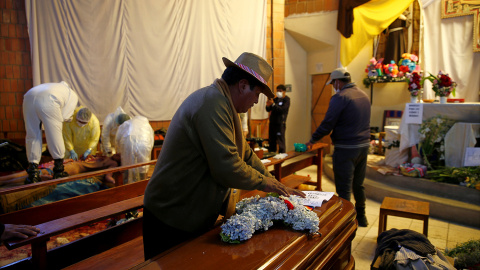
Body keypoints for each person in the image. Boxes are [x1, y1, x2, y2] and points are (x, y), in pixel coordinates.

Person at [143, 52, 305, 260]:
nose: (256, 101)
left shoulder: (225, 104)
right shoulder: (212, 103)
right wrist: (268, 184)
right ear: (242, 85)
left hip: (187, 212)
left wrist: (273, 181)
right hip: (171, 215)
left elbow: (245, 154)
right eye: (257, 94)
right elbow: (227, 167)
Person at [305, 68, 371, 227]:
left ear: (338, 81)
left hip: (346, 148)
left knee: (344, 188)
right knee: (358, 184)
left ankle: (346, 223)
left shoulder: (340, 98)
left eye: (333, 84)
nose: (334, 87)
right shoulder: (364, 95)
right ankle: (361, 217)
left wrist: (312, 140)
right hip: (363, 147)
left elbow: (328, 124)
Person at [23, 81, 79, 184]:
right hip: (49, 100)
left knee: (32, 135)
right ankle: (58, 171)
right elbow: (64, 117)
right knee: (54, 134)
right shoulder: (72, 94)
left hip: (28, 97)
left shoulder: (53, 86)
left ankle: (33, 174)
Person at [0, 155, 122, 186]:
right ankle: (2, 180)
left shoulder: (113, 163)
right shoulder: (106, 157)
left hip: (71, 169)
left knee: (37, 174)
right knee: (33, 172)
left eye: (121, 153)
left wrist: (119, 184)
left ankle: (4, 182)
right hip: (68, 164)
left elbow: (108, 176)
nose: (118, 152)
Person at [115, 116, 154, 184]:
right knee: (142, 167)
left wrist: (119, 151)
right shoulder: (147, 126)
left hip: (128, 144)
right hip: (144, 145)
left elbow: (117, 139)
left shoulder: (127, 123)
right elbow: (151, 142)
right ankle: (141, 186)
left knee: (128, 166)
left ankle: (127, 187)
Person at [266, 84, 290, 153]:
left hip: (280, 124)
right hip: (272, 123)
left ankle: (282, 156)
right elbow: (268, 109)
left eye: (280, 91)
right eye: (277, 90)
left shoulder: (286, 100)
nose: (278, 92)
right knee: (272, 140)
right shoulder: (275, 99)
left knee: (280, 141)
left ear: (284, 91)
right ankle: (272, 155)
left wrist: (273, 104)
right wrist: (268, 105)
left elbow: (282, 110)